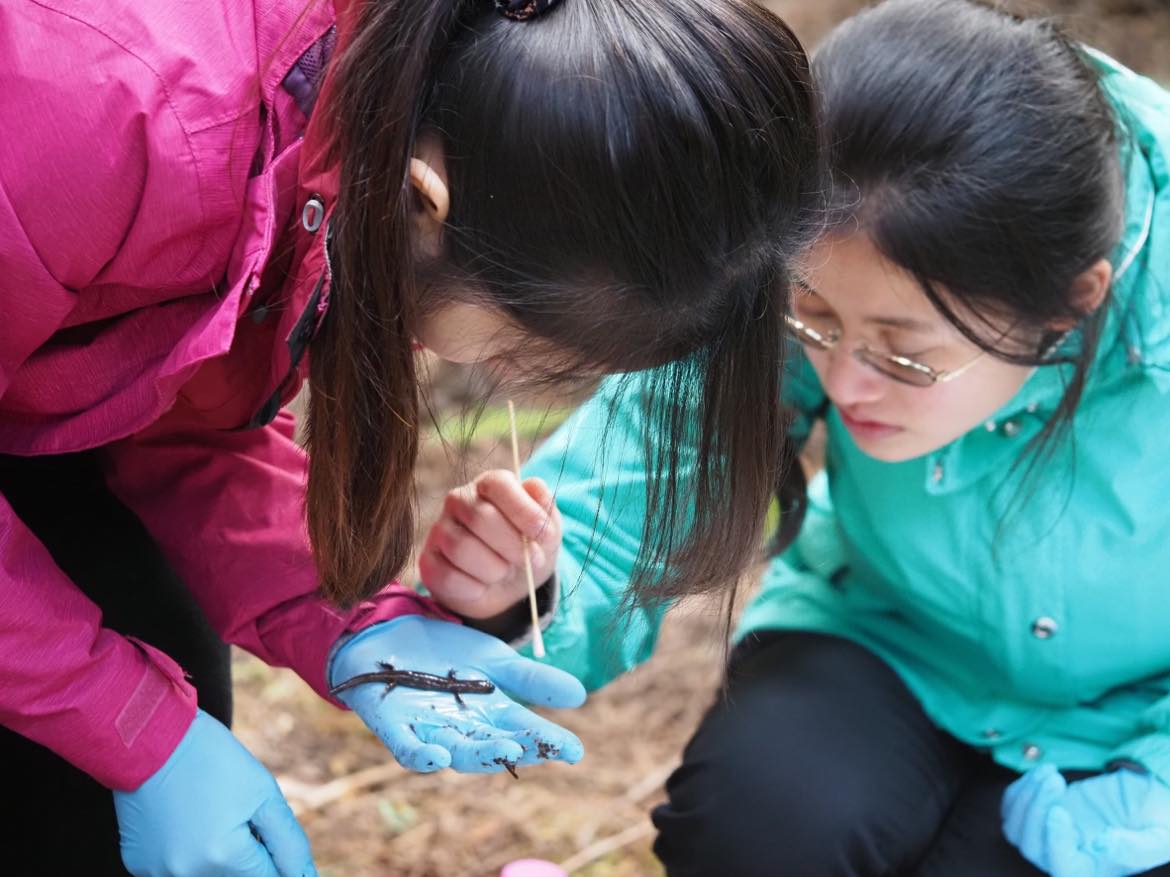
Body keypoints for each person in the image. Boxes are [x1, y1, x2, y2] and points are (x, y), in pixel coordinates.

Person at [0, 0, 823, 872]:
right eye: (520, 346)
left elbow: (159, 399)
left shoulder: (358, 136)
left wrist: (350, 623)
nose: (508, 379)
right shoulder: (118, 111)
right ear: (430, 195)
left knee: (146, 681)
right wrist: (133, 724)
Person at [420, 0, 1170, 874]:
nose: (847, 382)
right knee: (757, 825)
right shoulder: (814, 236)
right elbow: (653, 464)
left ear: (1075, 300)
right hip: (889, 631)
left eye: (906, 353)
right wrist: (536, 585)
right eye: (814, 321)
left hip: (1142, 709)